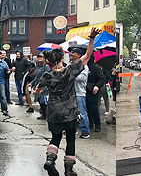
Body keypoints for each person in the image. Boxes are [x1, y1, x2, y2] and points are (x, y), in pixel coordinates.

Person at [38, 28, 99, 176]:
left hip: (53, 112)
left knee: (55, 137)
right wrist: (91, 38)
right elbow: (88, 55)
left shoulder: (47, 75)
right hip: (69, 112)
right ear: (62, 58)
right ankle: (68, 170)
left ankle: (50, 161)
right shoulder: (69, 71)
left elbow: (38, 90)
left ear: (50, 60)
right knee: (70, 139)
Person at [86, 54, 106, 133]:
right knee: (87, 108)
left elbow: (102, 79)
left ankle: (97, 125)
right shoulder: (84, 68)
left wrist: (97, 86)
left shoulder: (95, 68)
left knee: (94, 108)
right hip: (85, 90)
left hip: (93, 91)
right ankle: (90, 124)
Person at [31, 54, 49, 119]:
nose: (39, 58)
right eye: (38, 57)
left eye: (41, 57)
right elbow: (36, 77)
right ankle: (43, 114)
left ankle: (46, 115)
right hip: (37, 86)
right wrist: (32, 83)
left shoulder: (46, 67)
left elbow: (47, 78)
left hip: (43, 86)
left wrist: (44, 88)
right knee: (39, 100)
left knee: (43, 101)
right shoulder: (38, 67)